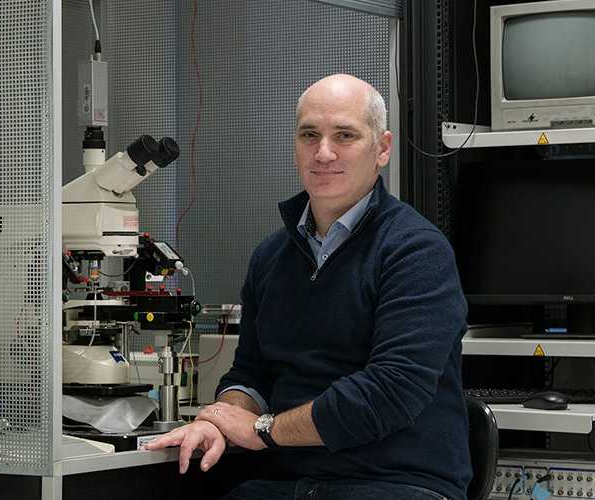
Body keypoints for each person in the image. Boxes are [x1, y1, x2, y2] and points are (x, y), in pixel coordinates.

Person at [145, 74, 471, 500]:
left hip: (396, 483)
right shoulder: (271, 257)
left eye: (345, 135)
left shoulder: (416, 252)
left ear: (383, 148)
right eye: (309, 135)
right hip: (285, 484)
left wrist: (264, 430)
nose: (324, 152)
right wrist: (220, 418)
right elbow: (252, 373)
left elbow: (391, 391)